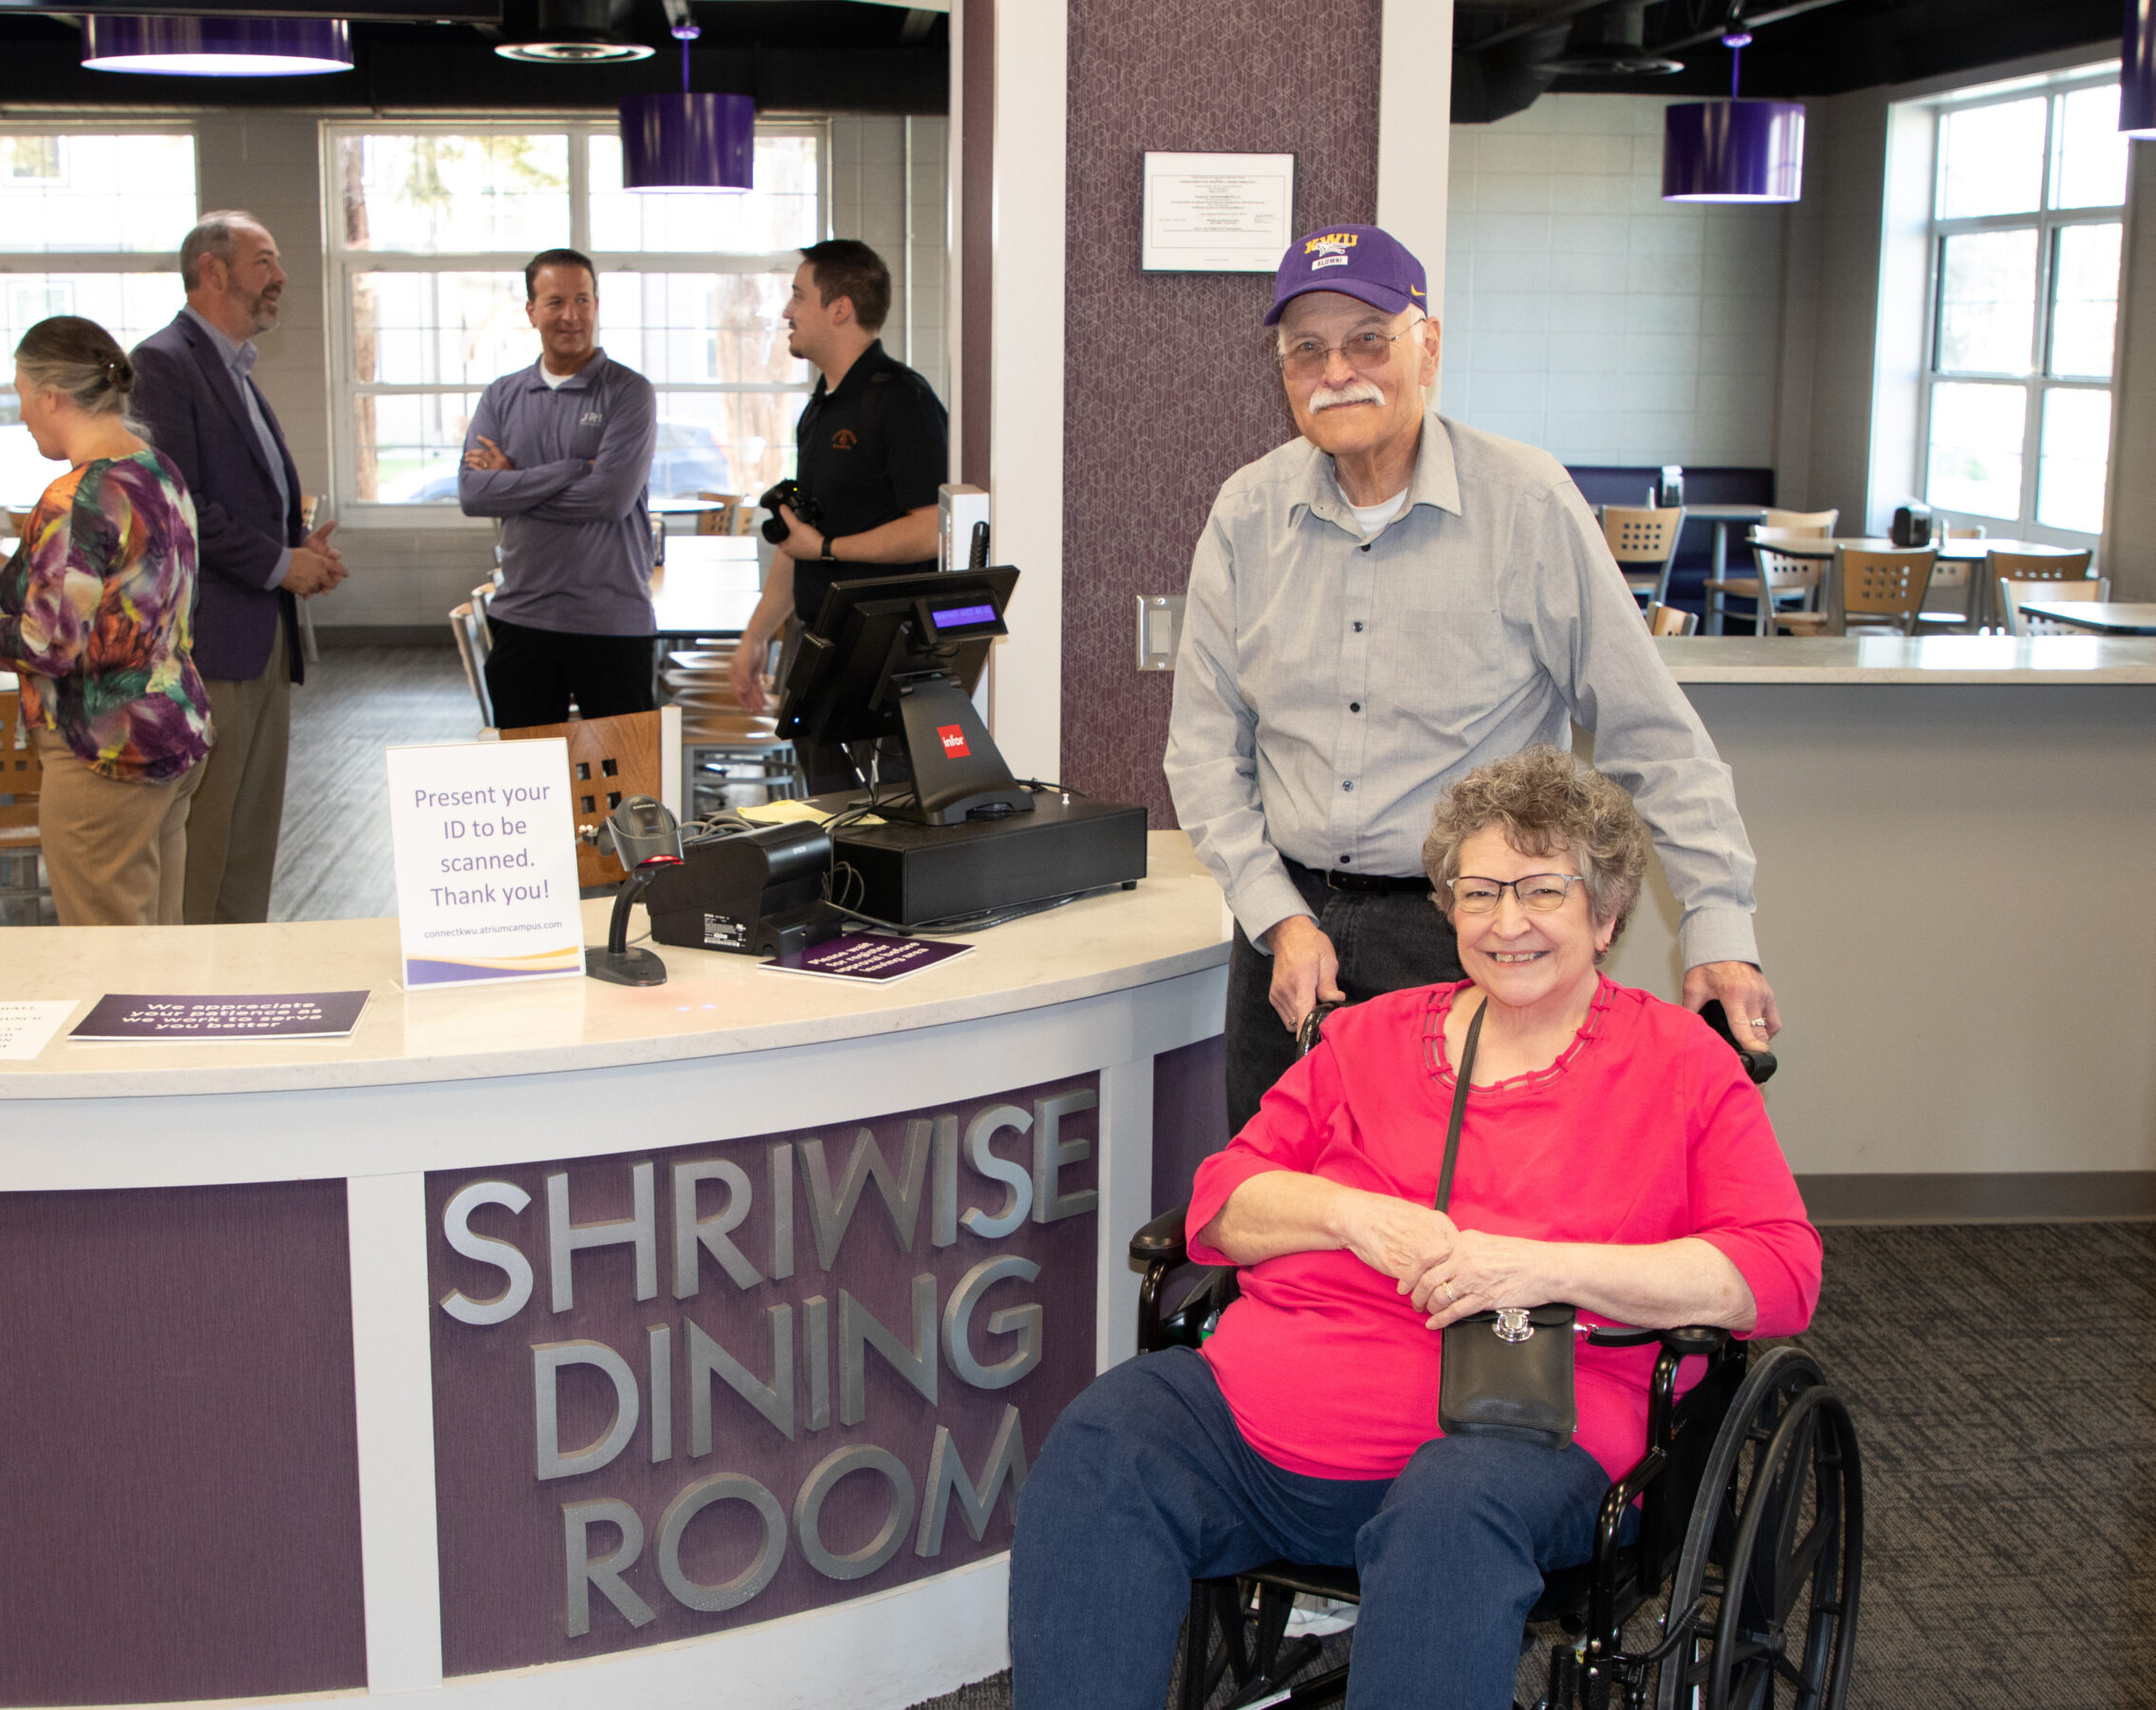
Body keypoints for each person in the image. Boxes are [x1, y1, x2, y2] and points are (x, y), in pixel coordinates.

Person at [1009, 747, 1822, 1710]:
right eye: (1478, 891)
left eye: (1540, 891)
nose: (1506, 921)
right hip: (1263, 1418)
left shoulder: (1677, 1062)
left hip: (1520, 1431)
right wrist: (1350, 1215)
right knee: (1106, 1437)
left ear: (1604, 917)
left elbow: (1776, 1268)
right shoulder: (1367, 1038)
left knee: (1449, 1512)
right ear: (1446, 908)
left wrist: (1538, 1266)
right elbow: (1221, 1205)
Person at [1163, 224, 1782, 1137]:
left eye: (1369, 338)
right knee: (1283, 1214)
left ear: (1429, 346)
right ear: (1284, 373)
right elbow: (1206, 753)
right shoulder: (1246, 512)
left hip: (1475, 930)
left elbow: (1655, 736)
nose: (1339, 370)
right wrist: (1275, 916)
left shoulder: (1526, 504)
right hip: (1288, 935)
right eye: (1308, 351)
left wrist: (1720, 931)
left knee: (1470, 1236)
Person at [0, 317, 211, 928]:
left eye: (21, 395)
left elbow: (51, 643)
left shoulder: (74, 496)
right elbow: (100, 593)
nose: (21, 414)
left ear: (51, 396)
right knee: (161, 942)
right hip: (171, 728)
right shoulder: (154, 470)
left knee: (110, 957)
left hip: (102, 750)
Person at [131, 211, 345, 926]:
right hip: (212, 638)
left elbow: (241, 497)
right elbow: (180, 501)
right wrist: (282, 563)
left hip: (262, 630)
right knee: (207, 836)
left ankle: (245, 977)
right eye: (265, 260)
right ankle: (196, 994)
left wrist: (301, 552)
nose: (280, 276)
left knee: (249, 838)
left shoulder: (235, 370)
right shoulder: (163, 362)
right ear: (213, 271)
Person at [728, 239, 948, 788]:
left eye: (798, 296)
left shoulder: (902, 400)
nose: (787, 311)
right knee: (827, 818)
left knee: (878, 820)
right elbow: (799, 542)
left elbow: (931, 529)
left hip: (878, 657)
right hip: (817, 647)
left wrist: (828, 549)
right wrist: (755, 637)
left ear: (840, 308)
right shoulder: (819, 409)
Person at [457, 247, 659, 729]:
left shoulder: (629, 392)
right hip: (522, 619)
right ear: (531, 311)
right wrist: (571, 469)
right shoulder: (502, 395)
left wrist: (513, 481)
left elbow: (609, 500)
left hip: (612, 623)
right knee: (527, 790)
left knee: (627, 793)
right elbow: (473, 494)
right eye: (554, 302)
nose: (571, 316)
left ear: (596, 306)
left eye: (583, 301)